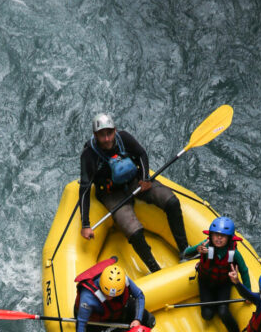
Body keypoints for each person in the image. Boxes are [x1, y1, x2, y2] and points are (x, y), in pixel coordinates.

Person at [79, 112, 189, 272]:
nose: (107, 139)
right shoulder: (89, 155)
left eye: (109, 133)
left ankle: (185, 250)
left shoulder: (124, 138)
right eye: (102, 135)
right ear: (95, 135)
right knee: (133, 231)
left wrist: (145, 178)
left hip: (135, 181)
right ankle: (155, 269)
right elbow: (84, 189)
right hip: (111, 193)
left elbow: (141, 154)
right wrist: (85, 224)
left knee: (171, 202)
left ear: (114, 131)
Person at [73, 259, 155, 332]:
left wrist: (137, 319)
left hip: (118, 311)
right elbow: (81, 325)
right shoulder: (88, 298)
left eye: (114, 295)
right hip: (98, 323)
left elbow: (140, 296)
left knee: (150, 320)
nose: (109, 298)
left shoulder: (122, 281)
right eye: (106, 295)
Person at [181, 216, 251, 332]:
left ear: (229, 238)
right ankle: (211, 304)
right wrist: (197, 249)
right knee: (207, 315)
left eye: (223, 236)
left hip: (223, 284)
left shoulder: (234, 253)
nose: (219, 238)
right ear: (211, 235)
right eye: (216, 235)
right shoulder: (205, 245)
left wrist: (248, 294)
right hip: (206, 282)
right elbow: (186, 253)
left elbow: (244, 271)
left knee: (223, 311)